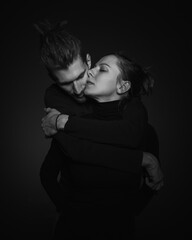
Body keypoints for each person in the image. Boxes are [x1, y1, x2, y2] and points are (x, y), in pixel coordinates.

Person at [35, 20, 163, 239]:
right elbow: (76, 150)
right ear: (55, 82)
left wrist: (63, 122)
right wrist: (142, 160)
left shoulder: (135, 112)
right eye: (66, 83)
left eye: (81, 75)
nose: (78, 89)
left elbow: (132, 136)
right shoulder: (55, 99)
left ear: (88, 62)